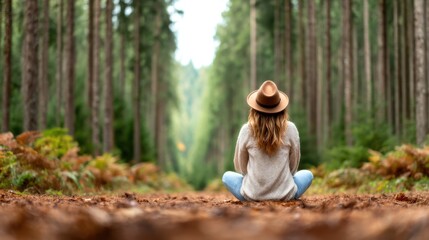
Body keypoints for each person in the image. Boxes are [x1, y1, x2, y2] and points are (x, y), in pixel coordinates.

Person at [222, 80, 313, 201]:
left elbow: (241, 167)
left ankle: (253, 195)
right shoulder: (291, 129)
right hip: (285, 195)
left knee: (226, 176)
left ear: (255, 108)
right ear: (281, 108)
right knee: (308, 174)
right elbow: (293, 166)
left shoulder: (246, 130)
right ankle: (283, 193)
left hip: (252, 195)